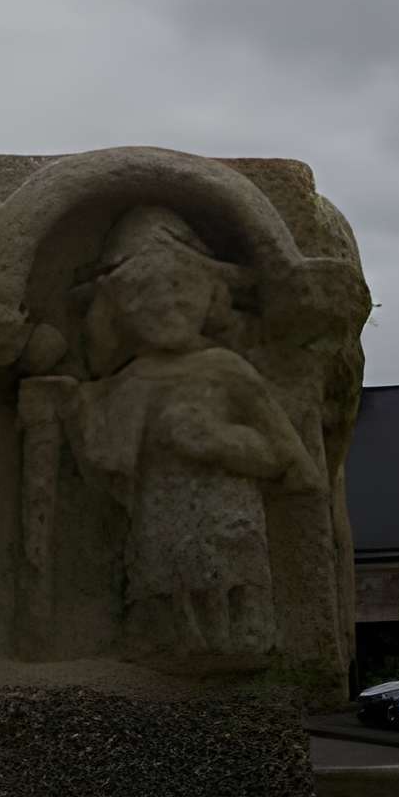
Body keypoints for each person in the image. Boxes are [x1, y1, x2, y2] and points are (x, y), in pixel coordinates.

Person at [66, 206, 316, 671]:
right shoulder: (127, 382)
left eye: (181, 286)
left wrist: (218, 441)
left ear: (211, 295)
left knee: (226, 590)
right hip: (159, 521)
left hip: (227, 518)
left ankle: (240, 638)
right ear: (119, 312)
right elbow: (103, 467)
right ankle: (169, 640)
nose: (166, 303)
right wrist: (72, 411)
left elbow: (293, 465)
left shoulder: (226, 370)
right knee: (166, 589)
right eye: (143, 293)